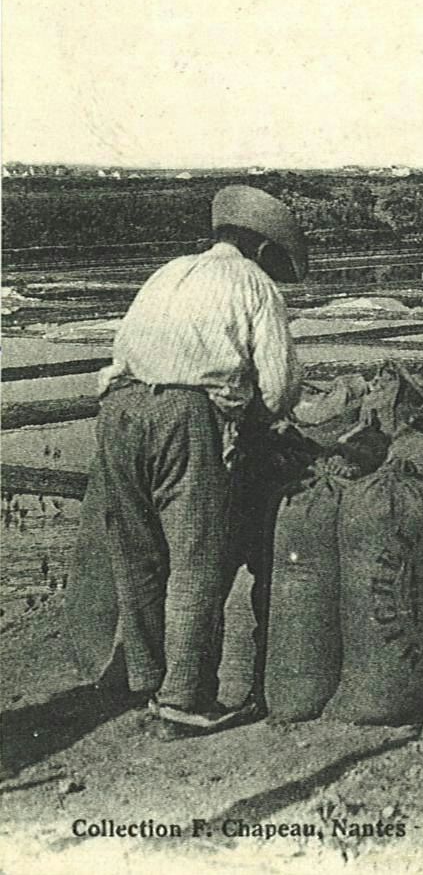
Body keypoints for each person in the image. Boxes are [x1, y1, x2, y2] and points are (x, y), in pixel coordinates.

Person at [93, 185, 306, 739]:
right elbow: (280, 389)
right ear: (261, 249)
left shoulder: (169, 271)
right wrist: (256, 422)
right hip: (186, 418)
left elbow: (122, 353)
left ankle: (148, 682)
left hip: (117, 410)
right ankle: (185, 701)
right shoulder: (253, 284)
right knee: (197, 560)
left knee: (138, 555)